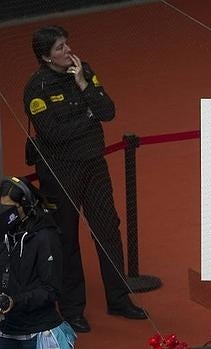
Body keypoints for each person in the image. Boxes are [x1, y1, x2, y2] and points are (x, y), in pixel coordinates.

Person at [23, 25, 146, 333]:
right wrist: (88, 115)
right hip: (59, 172)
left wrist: (83, 85)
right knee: (66, 238)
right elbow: (54, 134)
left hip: (93, 165)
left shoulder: (83, 71)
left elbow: (108, 110)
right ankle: (72, 308)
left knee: (108, 229)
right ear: (45, 56)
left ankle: (119, 298)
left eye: (67, 44)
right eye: (60, 48)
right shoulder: (36, 88)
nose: (68, 51)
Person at [0, 176, 77, 348]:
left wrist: (14, 302)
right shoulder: (3, 234)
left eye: (8, 210)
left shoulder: (46, 237)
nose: (3, 215)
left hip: (37, 330)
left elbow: (51, 289)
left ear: (26, 206)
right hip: (5, 329)